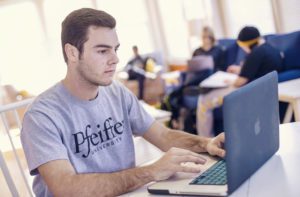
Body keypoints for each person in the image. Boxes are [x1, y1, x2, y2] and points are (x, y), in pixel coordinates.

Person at [20, 8, 225, 197]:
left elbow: (163, 135)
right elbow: (67, 188)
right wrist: (151, 172)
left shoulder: (116, 91)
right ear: (72, 53)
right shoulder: (41, 117)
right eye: (102, 51)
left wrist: (206, 143)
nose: (115, 59)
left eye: (115, 49)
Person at [196, 26, 283, 137]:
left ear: (248, 44)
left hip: (245, 89)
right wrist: (240, 69)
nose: (244, 49)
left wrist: (228, 82)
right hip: (257, 86)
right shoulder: (271, 49)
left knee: (203, 100)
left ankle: (205, 140)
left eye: (243, 46)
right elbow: (258, 69)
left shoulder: (255, 54)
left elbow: (240, 82)